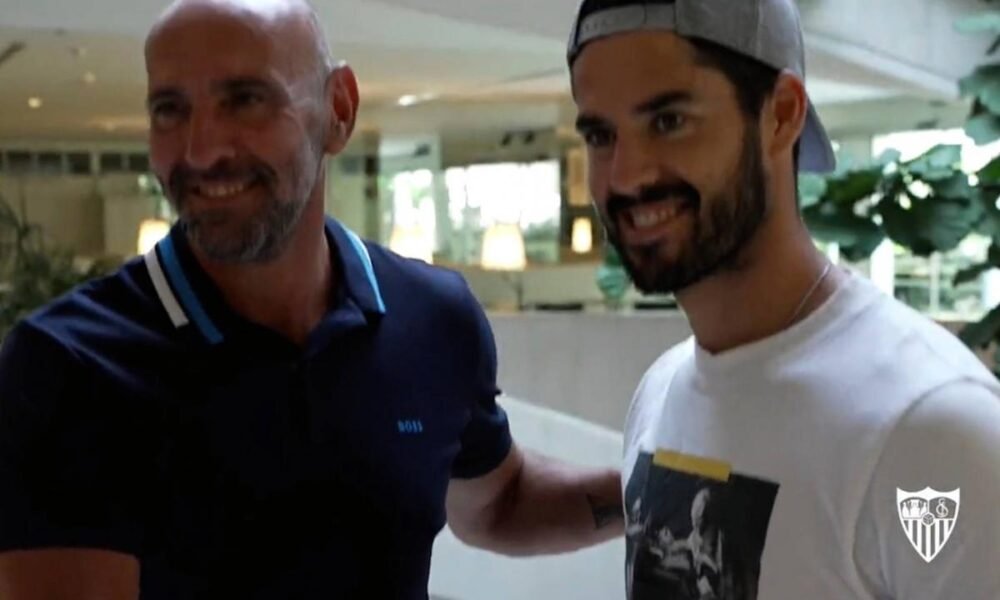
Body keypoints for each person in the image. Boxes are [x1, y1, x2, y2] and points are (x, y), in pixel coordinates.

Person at [0, 1, 624, 598]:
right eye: (170, 109)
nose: (201, 150)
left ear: (338, 110)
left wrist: (653, 492)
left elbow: (500, 501)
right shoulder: (67, 367)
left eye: (245, 100)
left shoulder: (432, 317)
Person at [565, 0, 1000, 598]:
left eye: (668, 120)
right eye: (600, 135)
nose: (626, 175)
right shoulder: (660, 392)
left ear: (782, 114)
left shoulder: (934, 427)